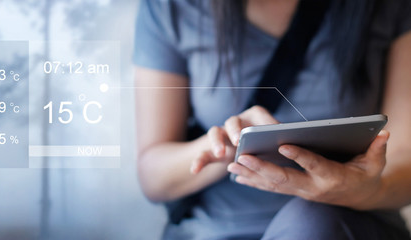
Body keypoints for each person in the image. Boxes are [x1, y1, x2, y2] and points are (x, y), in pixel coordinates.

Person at [133, 0, 411, 239]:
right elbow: (153, 177)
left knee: (312, 222)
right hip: (216, 228)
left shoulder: (387, 7)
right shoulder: (171, 8)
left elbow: (405, 160)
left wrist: (363, 191)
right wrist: (228, 145)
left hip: (344, 223)